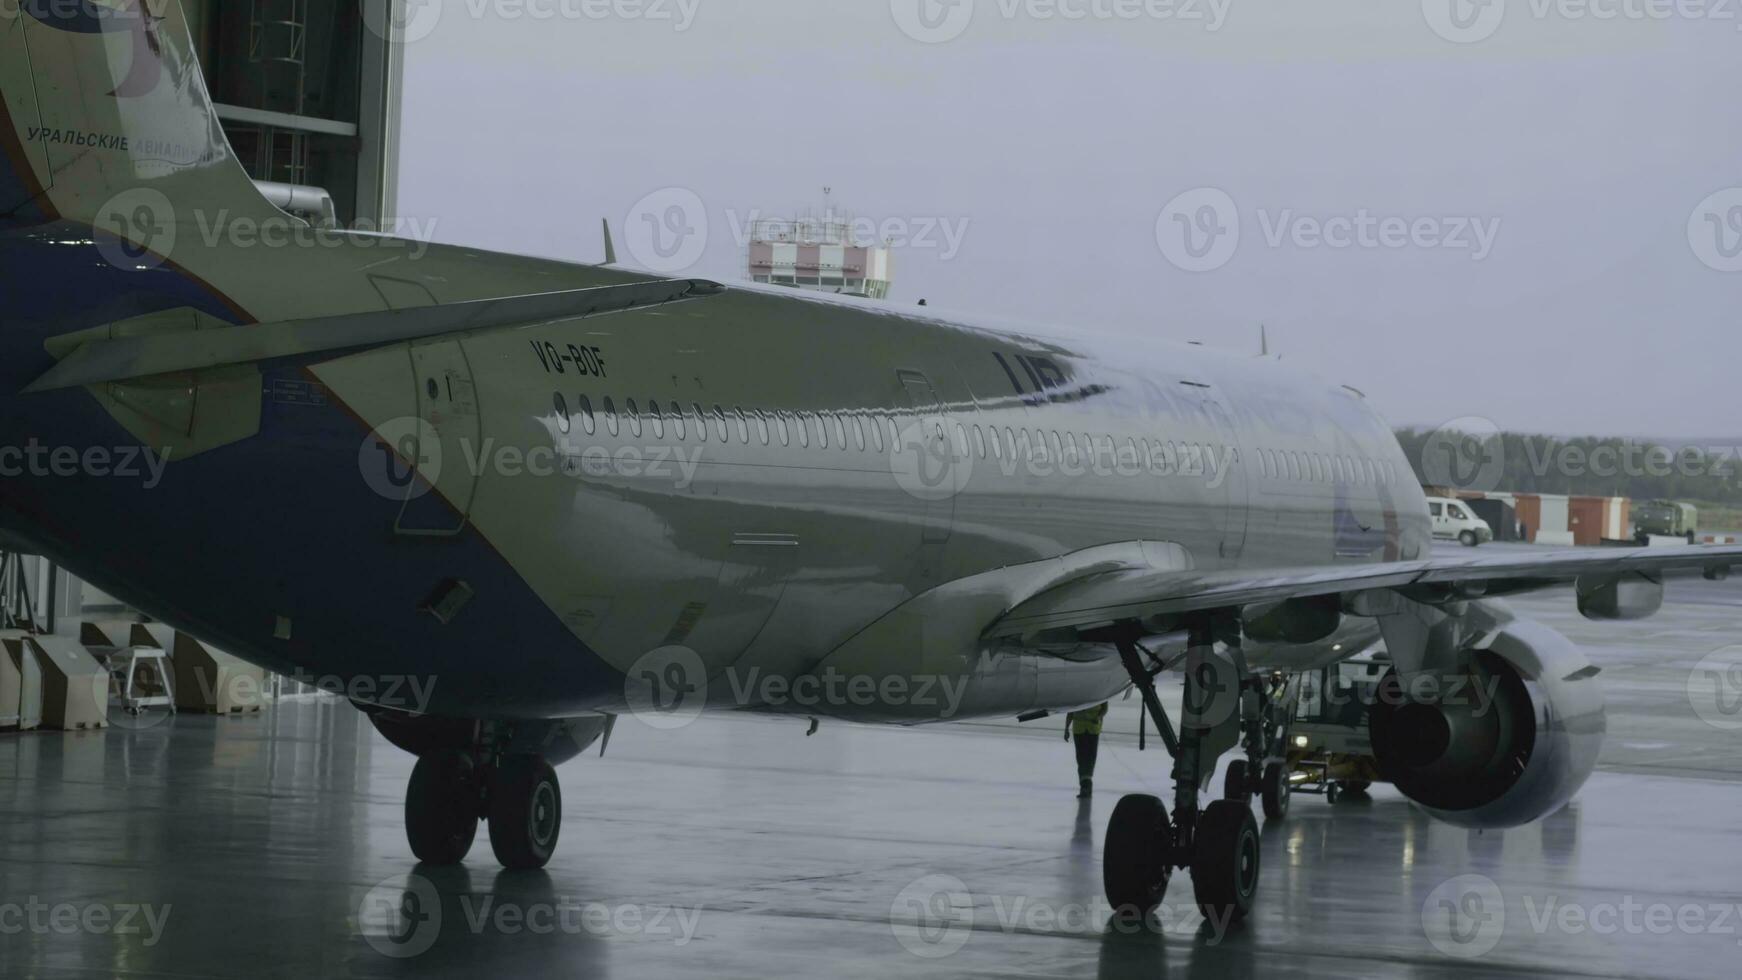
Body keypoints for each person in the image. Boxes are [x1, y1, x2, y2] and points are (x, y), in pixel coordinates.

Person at [1065, 702, 1110, 798]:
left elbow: (1105, 708)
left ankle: (1086, 786)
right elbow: (1070, 712)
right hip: (1079, 729)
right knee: (1081, 759)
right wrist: (1066, 728)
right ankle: (1085, 787)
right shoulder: (1077, 694)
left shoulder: (1099, 691)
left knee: (1090, 758)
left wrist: (1098, 717)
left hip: (1092, 729)